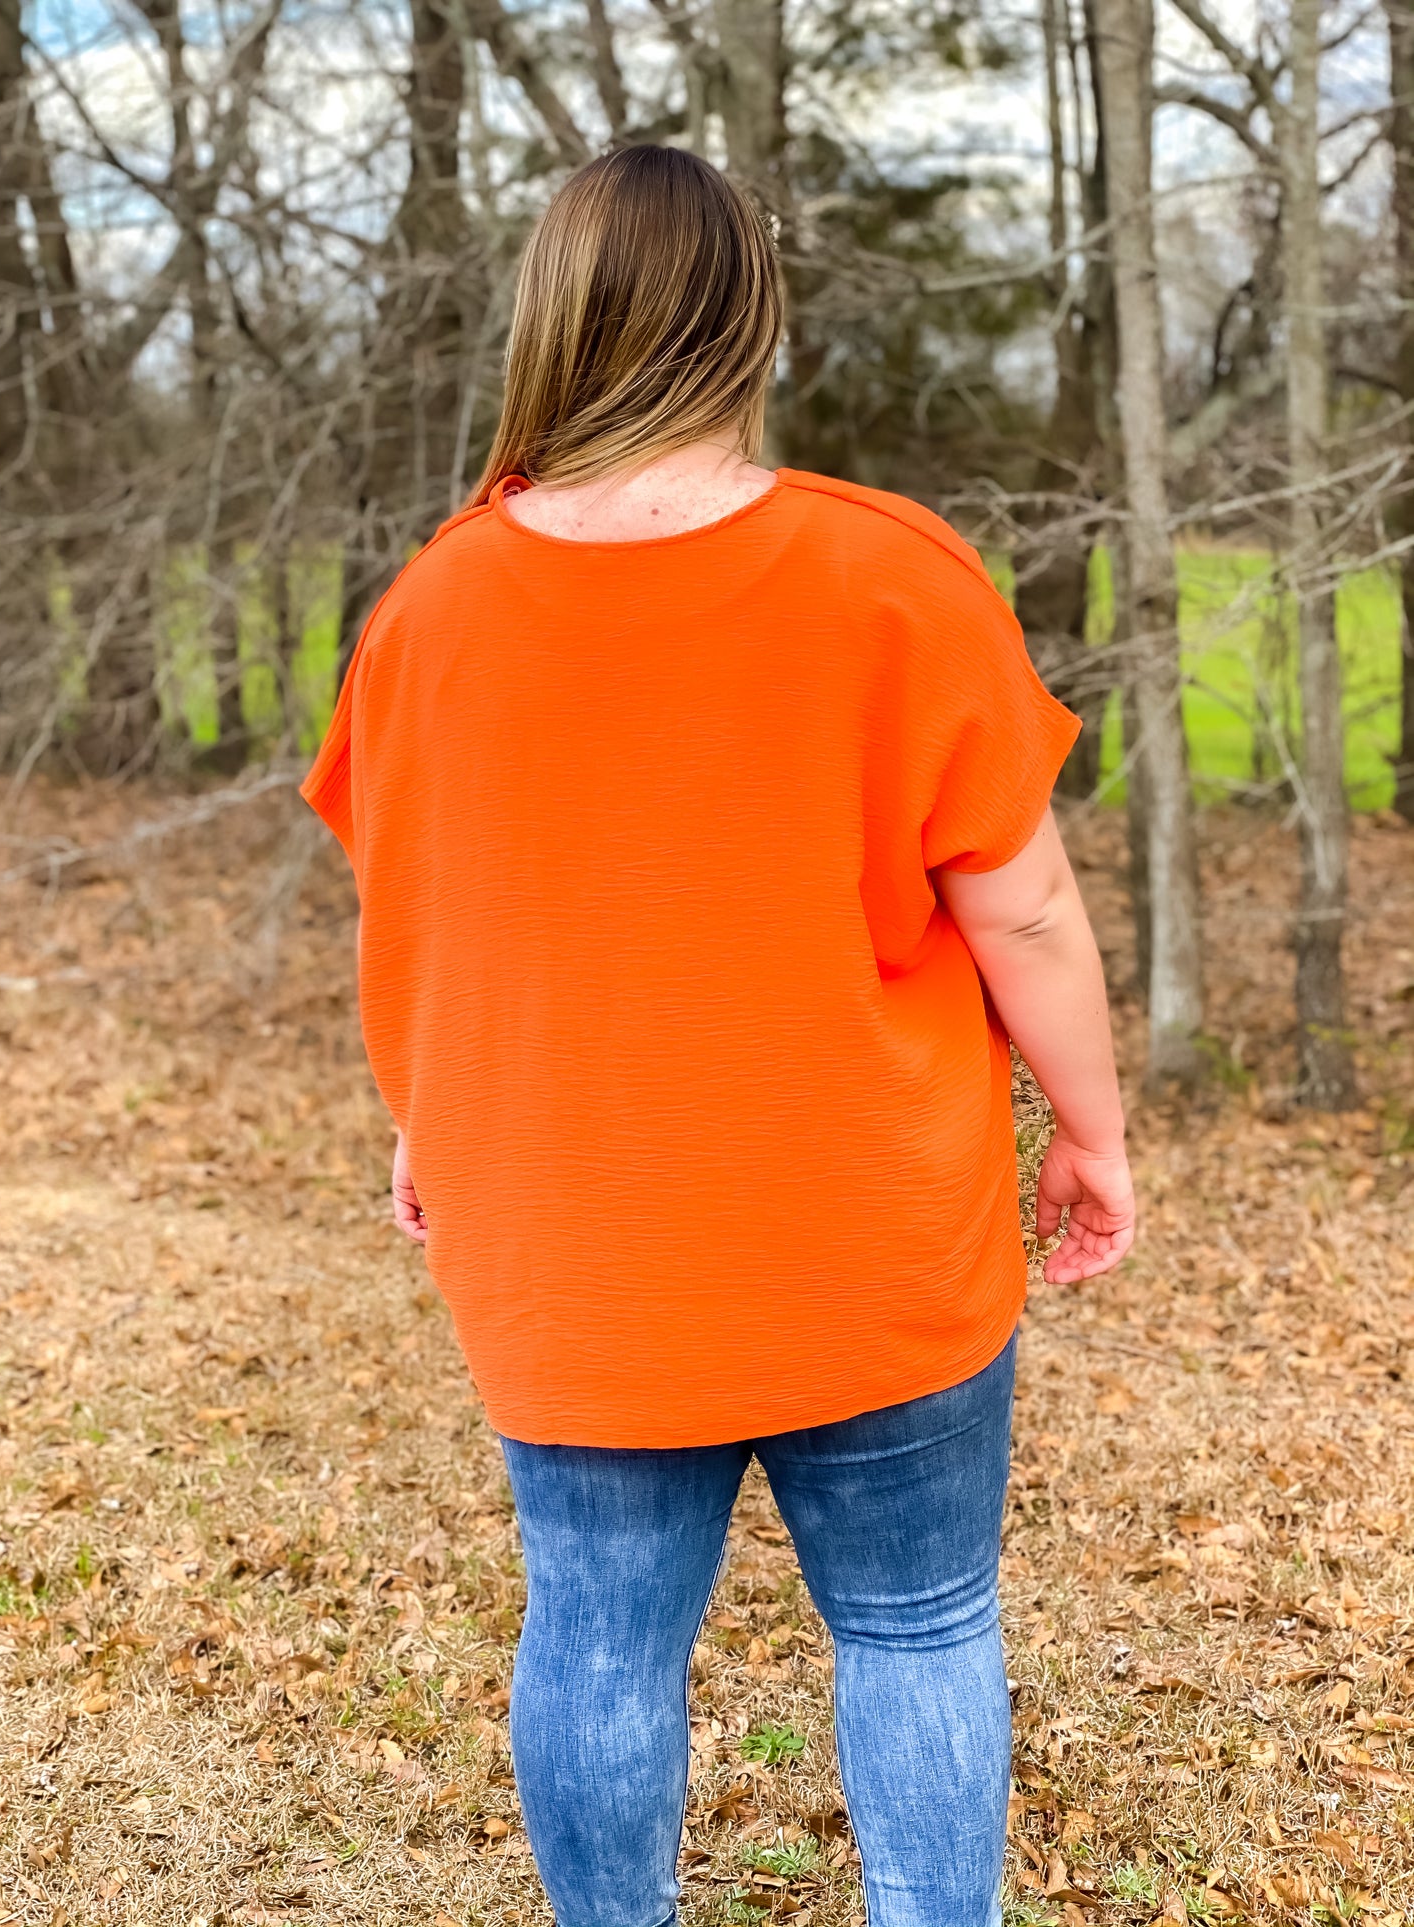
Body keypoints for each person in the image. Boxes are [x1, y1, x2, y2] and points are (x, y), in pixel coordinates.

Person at [302, 143, 1135, 1927]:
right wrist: (1095, 1130)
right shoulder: (887, 573)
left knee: (597, 1644)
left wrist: (430, 1118)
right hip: (867, 1229)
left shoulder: (428, 614)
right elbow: (1029, 911)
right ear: (750, 323)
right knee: (917, 1624)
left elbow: (442, 911)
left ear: (551, 323)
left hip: (576, 1241)